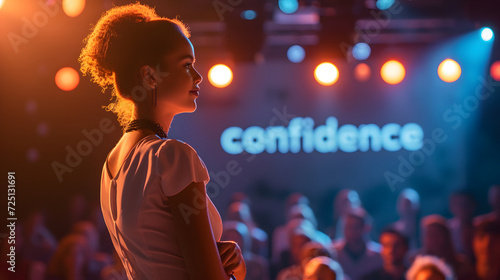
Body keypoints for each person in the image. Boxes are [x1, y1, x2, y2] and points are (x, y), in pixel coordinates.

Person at [79, 3, 245, 279]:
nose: (199, 76)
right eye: (187, 65)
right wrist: (237, 271)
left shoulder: (111, 164)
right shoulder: (172, 156)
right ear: (149, 75)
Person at [333, 208, 383, 280]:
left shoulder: (379, 255)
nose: (351, 232)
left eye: (355, 227)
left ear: (366, 228)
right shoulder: (333, 252)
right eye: (348, 227)